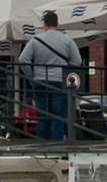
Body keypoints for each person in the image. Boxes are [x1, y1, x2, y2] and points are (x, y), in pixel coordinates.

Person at [18, 10, 85, 142]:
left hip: (40, 81)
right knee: (57, 116)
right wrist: (65, 71)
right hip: (59, 81)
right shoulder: (67, 40)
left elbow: (22, 60)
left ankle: (42, 144)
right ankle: (56, 145)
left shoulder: (35, 41)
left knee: (42, 115)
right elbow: (77, 61)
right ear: (57, 24)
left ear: (44, 24)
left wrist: (32, 76)